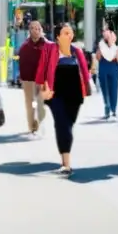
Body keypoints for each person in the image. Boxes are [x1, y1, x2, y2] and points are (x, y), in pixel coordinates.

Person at [37, 23, 91, 176]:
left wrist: (87, 89)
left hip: (75, 95)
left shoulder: (77, 51)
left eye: (71, 32)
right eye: (65, 33)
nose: (69, 35)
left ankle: (64, 154)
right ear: (58, 37)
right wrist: (43, 89)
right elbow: (41, 71)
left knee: (69, 124)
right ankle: (66, 163)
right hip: (56, 95)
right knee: (62, 124)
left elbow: (85, 73)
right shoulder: (49, 50)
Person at [16, 20, 48, 134]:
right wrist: (21, 77)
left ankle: (39, 118)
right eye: (34, 28)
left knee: (40, 102)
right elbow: (21, 63)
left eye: (38, 28)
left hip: (41, 79)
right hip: (28, 79)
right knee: (30, 103)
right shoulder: (25, 46)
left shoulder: (45, 45)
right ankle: (32, 125)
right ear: (30, 30)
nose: (36, 30)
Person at [94, 27, 118, 119]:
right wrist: (100, 48)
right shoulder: (101, 45)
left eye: (108, 33)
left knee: (114, 88)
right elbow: (98, 57)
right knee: (104, 88)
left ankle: (113, 109)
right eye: (104, 32)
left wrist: (113, 47)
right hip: (103, 66)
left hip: (113, 67)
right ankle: (107, 107)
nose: (106, 34)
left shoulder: (117, 46)